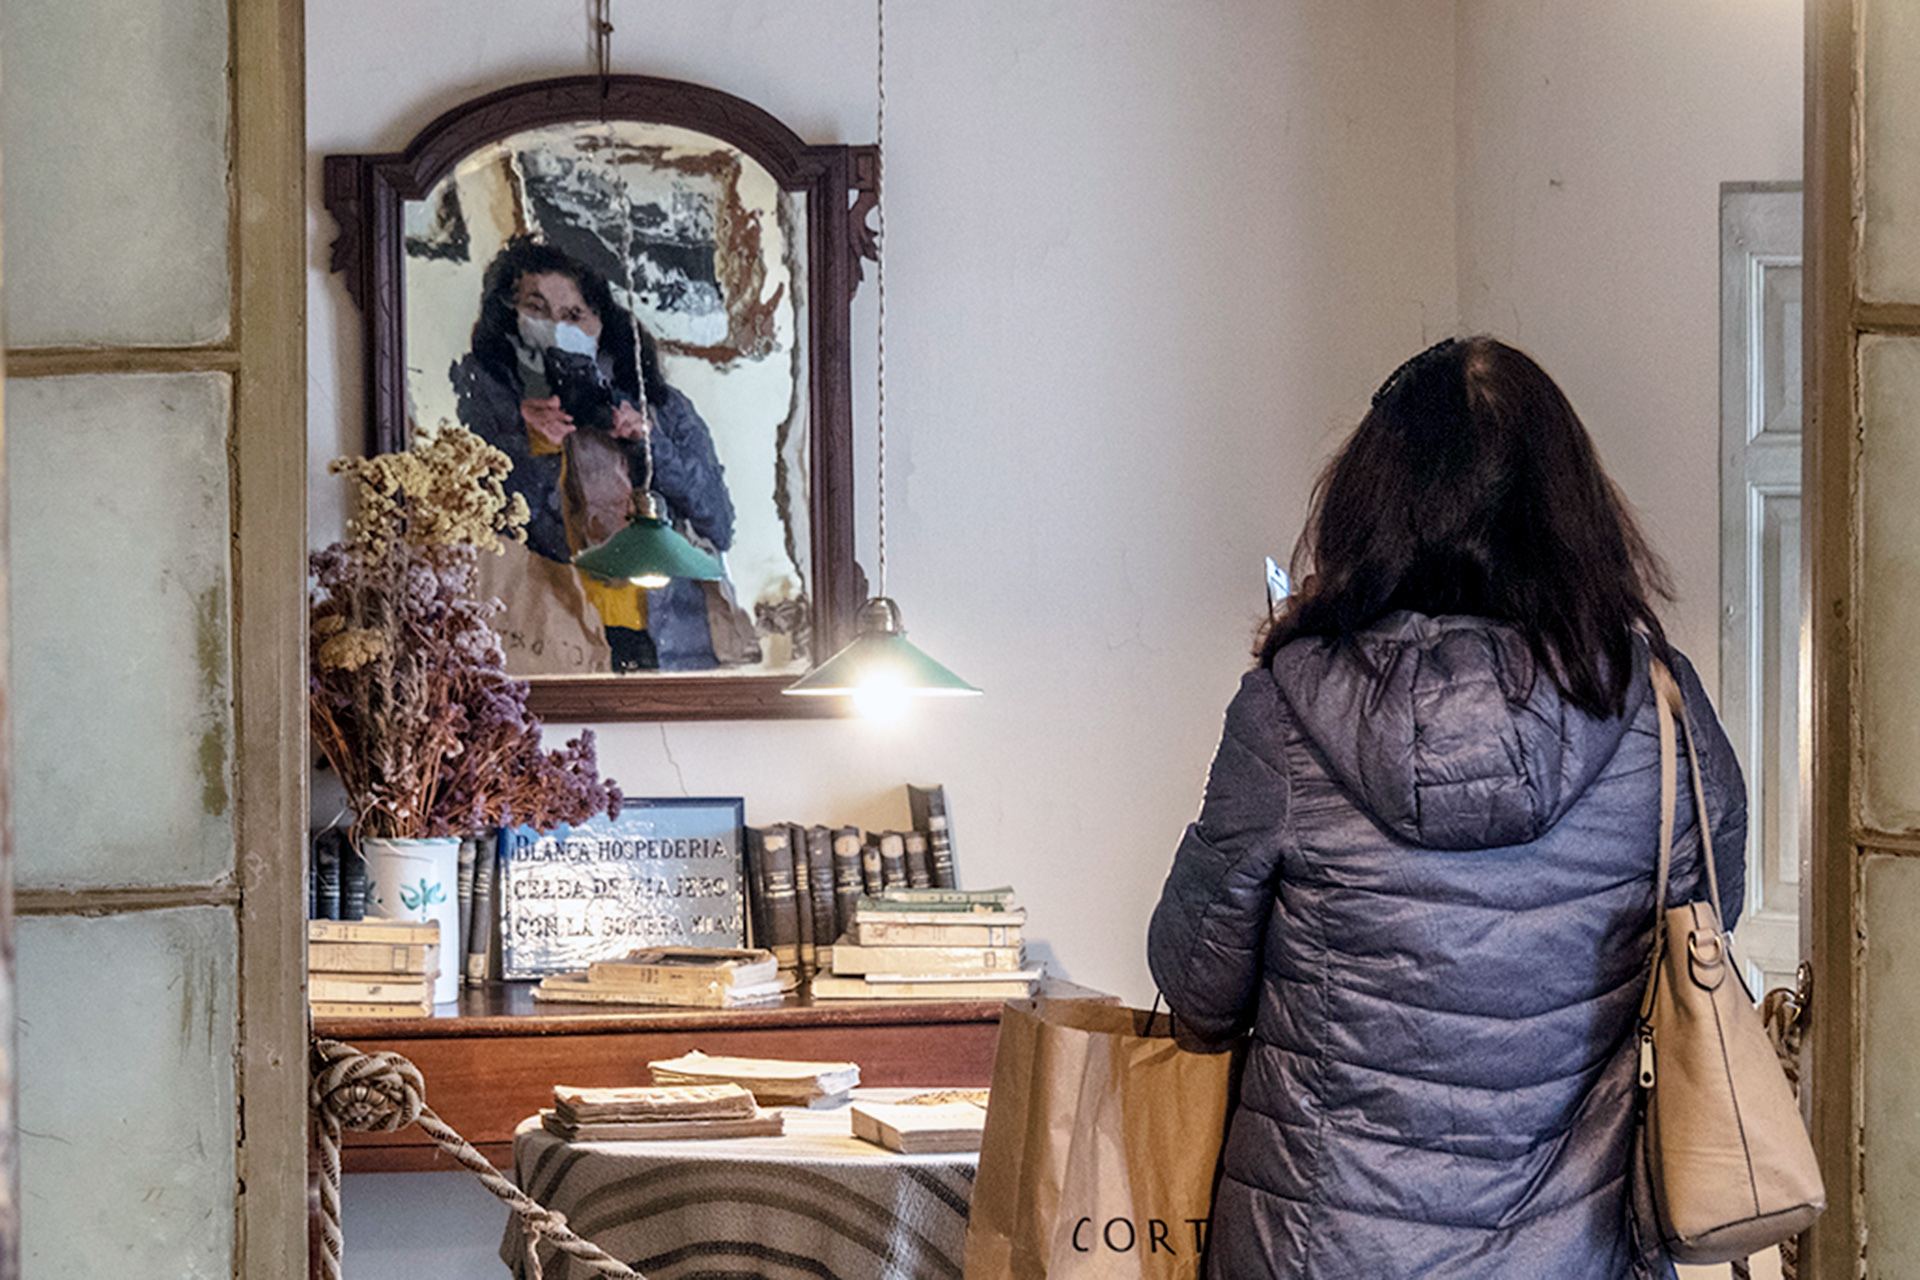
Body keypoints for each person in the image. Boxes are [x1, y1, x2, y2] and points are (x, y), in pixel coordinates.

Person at [1147, 336, 1746, 1279]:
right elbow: (1706, 944)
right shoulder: (1661, 718)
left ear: (1369, 504)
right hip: (1578, 1257)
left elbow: (1196, 990)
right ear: (1575, 512)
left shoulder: (1286, 711)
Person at [450, 235, 742, 671]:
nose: (557, 326)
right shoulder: (486, 413)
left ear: (601, 322)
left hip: (673, 645)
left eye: (573, 314)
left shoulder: (661, 406)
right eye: (537, 309)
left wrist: (647, 444)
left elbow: (717, 523)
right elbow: (495, 541)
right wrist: (528, 445)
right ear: (508, 318)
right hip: (553, 644)